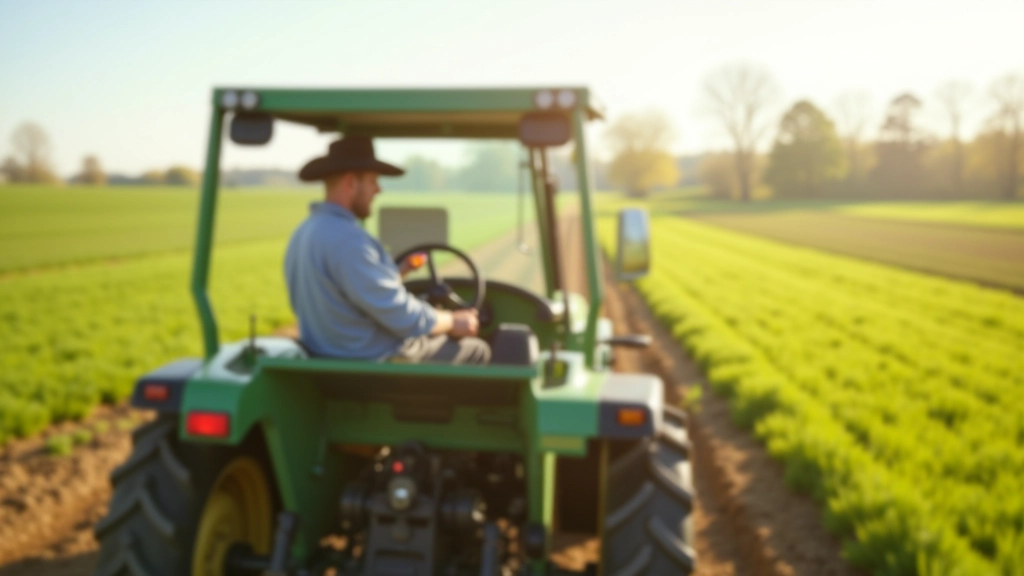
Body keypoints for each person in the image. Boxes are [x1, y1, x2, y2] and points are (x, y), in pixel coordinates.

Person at [284, 135, 491, 365]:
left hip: (325, 357)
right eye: (373, 181)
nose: (378, 190)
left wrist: (399, 272)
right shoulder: (350, 240)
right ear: (351, 182)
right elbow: (401, 315)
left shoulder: (304, 232)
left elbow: (354, 291)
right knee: (477, 350)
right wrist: (452, 321)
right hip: (374, 359)